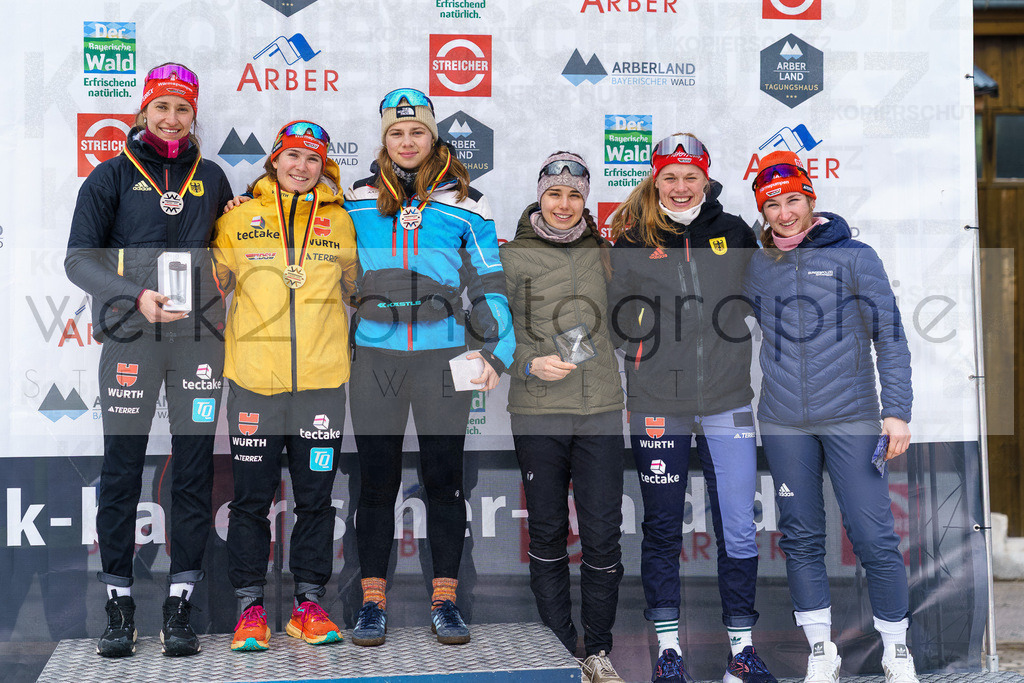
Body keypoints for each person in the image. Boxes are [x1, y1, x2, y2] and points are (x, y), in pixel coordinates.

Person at [65, 63, 232, 658]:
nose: (170, 118)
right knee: (121, 470)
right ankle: (119, 603)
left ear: (194, 118)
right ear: (142, 113)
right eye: (161, 107)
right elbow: (77, 262)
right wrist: (135, 294)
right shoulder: (109, 176)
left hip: (199, 342)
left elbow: (233, 252)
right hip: (131, 338)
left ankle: (180, 603)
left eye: (182, 109)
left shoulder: (212, 177)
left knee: (191, 474)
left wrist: (229, 274)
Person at [343, 87, 514, 646]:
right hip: (375, 356)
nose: (408, 141)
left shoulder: (468, 202)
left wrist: (498, 350)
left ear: (433, 135)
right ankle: (371, 601)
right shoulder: (353, 197)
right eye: (397, 132)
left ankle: (446, 601)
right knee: (376, 484)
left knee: (444, 482)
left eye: (417, 131)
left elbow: (488, 282)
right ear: (384, 139)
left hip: (443, 357)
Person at [607, 134, 776, 683]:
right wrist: (652, 334)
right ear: (656, 180)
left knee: (738, 527)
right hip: (659, 404)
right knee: (660, 527)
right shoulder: (633, 234)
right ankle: (668, 653)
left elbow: (763, 294)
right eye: (669, 177)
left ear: (706, 178)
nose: (680, 188)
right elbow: (615, 316)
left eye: (690, 176)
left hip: (727, 401)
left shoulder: (733, 231)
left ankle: (741, 652)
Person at [744, 151, 917, 683]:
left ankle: (897, 651)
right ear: (763, 211)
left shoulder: (855, 256)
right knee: (800, 535)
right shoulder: (756, 264)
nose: (783, 212)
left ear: (810, 201)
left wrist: (898, 413)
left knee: (872, 536)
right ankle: (822, 651)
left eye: (792, 200)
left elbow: (889, 336)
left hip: (852, 417)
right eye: (771, 204)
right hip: (782, 420)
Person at [211, 121, 357, 652]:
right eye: (292, 157)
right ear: (274, 161)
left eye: (313, 159)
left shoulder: (343, 223)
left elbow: (359, 287)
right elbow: (211, 285)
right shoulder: (238, 219)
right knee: (250, 503)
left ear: (325, 168)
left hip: (321, 385)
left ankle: (309, 604)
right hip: (253, 382)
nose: (301, 167)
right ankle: (249, 609)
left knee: (315, 501)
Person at [499, 153, 625, 683]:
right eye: (555, 194)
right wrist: (527, 360)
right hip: (538, 410)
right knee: (548, 532)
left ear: (586, 201)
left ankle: (597, 650)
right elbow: (490, 327)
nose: (565, 205)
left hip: (599, 409)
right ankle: (560, 652)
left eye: (575, 195)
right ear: (540, 196)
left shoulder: (606, 252)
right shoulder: (510, 256)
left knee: (602, 536)